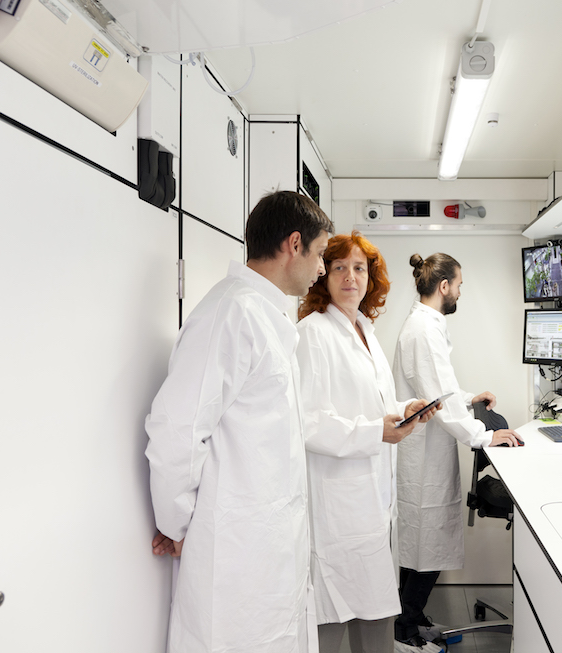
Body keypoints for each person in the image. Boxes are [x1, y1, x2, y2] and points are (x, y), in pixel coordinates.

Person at [144, 190, 334, 653]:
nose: (322, 269)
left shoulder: (265, 314)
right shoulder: (232, 313)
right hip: (234, 555)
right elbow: (177, 432)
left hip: (266, 550)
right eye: (320, 254)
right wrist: (177, 526)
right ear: (293, 244)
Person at [295, 232, 438, 653]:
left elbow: (372, 404)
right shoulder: (312, 333)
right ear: (323, 275)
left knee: (374, 618)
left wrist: (405, 409)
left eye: (359, 268)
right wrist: (375, 431)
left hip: (371, 503)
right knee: (332, 621)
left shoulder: (364, 330)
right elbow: (307, 421)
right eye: (339, 267)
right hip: (336, 508)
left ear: (370, 278)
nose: (350, 277)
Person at [392, 252, 522, 650]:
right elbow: (438, 401)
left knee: (421, 544)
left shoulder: (425, 325)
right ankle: (406, 630)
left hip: (426, 451)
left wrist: (469, 398)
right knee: (425, 544)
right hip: (423, 458)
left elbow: (440, 390)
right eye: (459, 285)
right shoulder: (424, 329)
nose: (460, 293)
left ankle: (411, 619)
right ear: (444, 286)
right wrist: (485, 435)